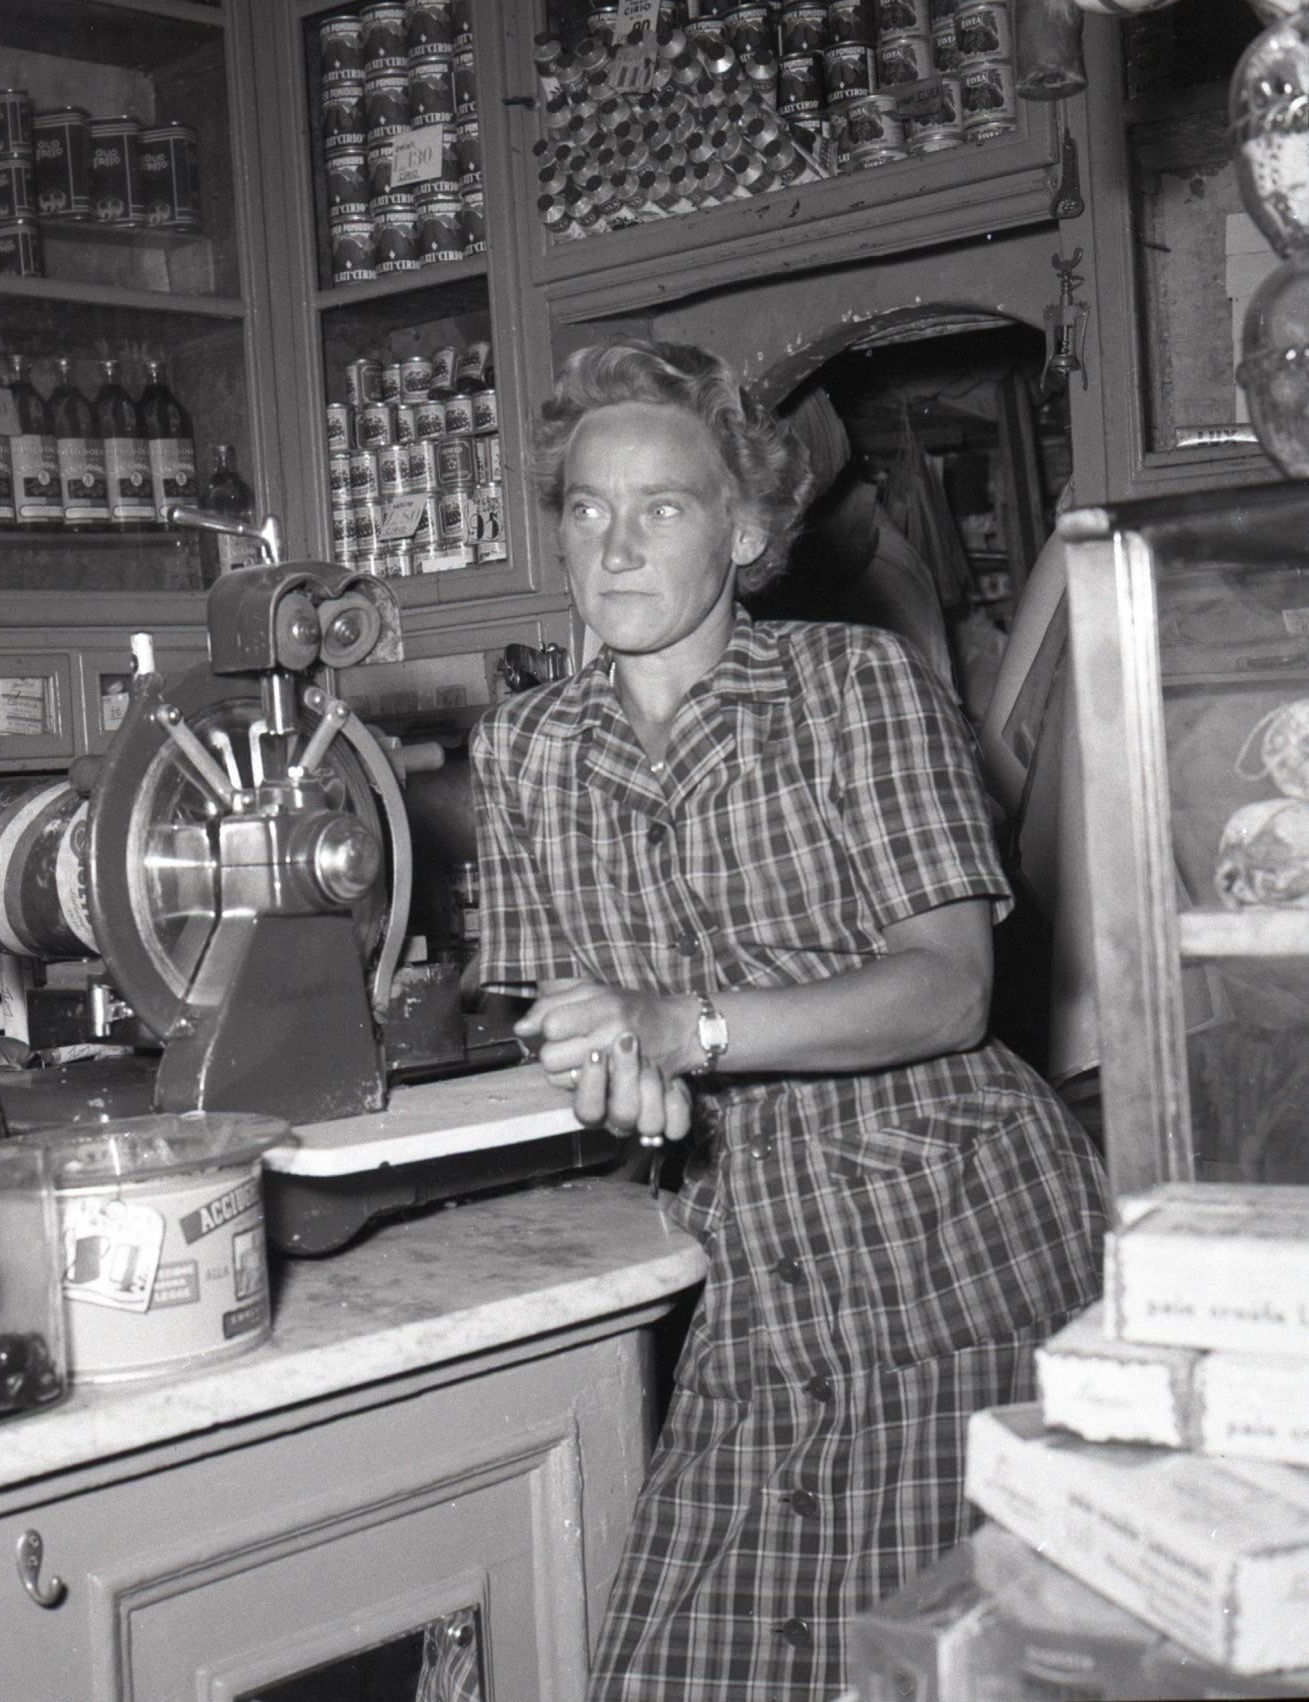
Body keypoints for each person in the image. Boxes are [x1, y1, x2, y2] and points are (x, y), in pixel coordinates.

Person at [469, 339, 1110, 1702]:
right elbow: (559, 1015)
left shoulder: (851, 685)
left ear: (745, 530)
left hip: (962, 1252)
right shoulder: (522, 750)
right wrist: (604, 1072)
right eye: (587, 507)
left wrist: (682, 1029)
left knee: (945, 1670)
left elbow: (950, 987)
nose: (617, 545)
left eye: (663, 506)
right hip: (754, 1271)